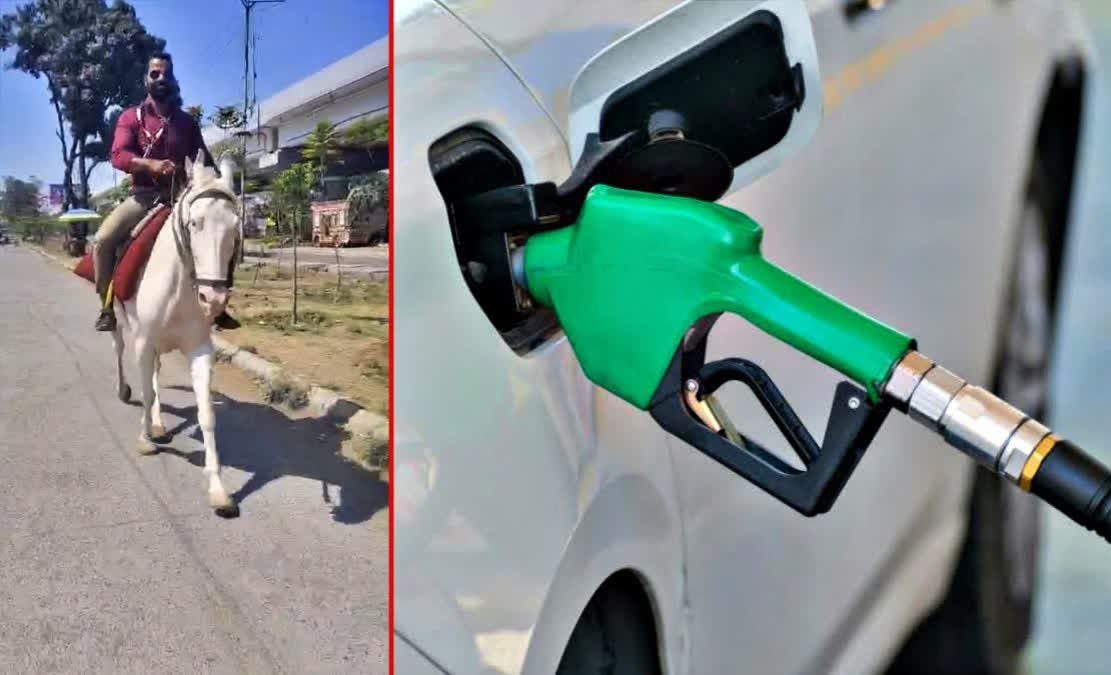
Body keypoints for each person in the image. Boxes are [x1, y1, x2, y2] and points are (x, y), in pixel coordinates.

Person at [93, 52, 240, 332]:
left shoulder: (186, 123)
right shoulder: (130, 118)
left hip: (180, 198)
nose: (161, 78)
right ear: (146, 80)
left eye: (166, 74)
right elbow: (118, 155)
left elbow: (204, 160)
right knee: (102, 241)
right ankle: (107, 306)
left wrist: (222, 186)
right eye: (155, 74)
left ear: (173, 80)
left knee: (221, 235)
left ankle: (219, 306)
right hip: (143, 197)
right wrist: (150, 164)